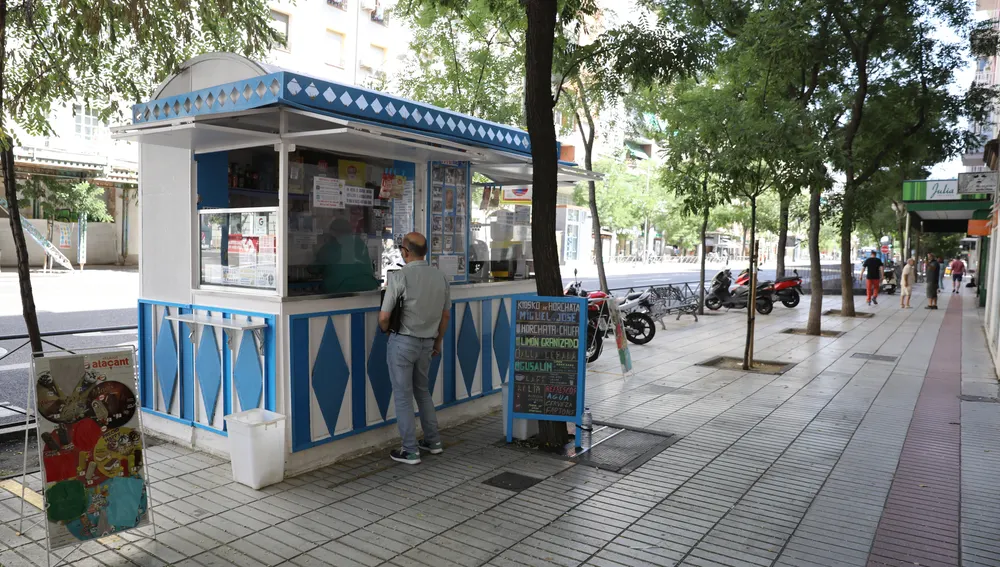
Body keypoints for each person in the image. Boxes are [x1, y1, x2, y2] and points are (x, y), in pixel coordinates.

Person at [378, 232, 450, 465]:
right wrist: (437, 341)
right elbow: (445, 315)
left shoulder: (400, 277)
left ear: (405, 252)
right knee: (423, 391)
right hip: (427, 343)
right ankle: (433, 441)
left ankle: (410, 450)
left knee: (403, 397)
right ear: (425, 251)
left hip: (403, 343)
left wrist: (386, 330)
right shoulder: (440, 277)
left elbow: (384, 317)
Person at [314, 218, 378, 294]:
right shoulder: (360, 243)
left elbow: (314, 269)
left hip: (341, 289)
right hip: (369, 287)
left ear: (332, 232)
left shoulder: (329, 247)